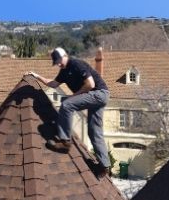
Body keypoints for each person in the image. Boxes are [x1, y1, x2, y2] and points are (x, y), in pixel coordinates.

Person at [29, 47, 111, 178]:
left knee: (67, 104)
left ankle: (65, 142)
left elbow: (90, 84)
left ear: (65, 56)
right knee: (94, 131)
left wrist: (74, 96)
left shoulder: (76, 64)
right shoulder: (63, 72)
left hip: (99, 93)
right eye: (56, 63)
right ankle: (104, 166)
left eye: (59, 61)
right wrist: (37, 76)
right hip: (97, 97)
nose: (59, 64)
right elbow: (53, 84)